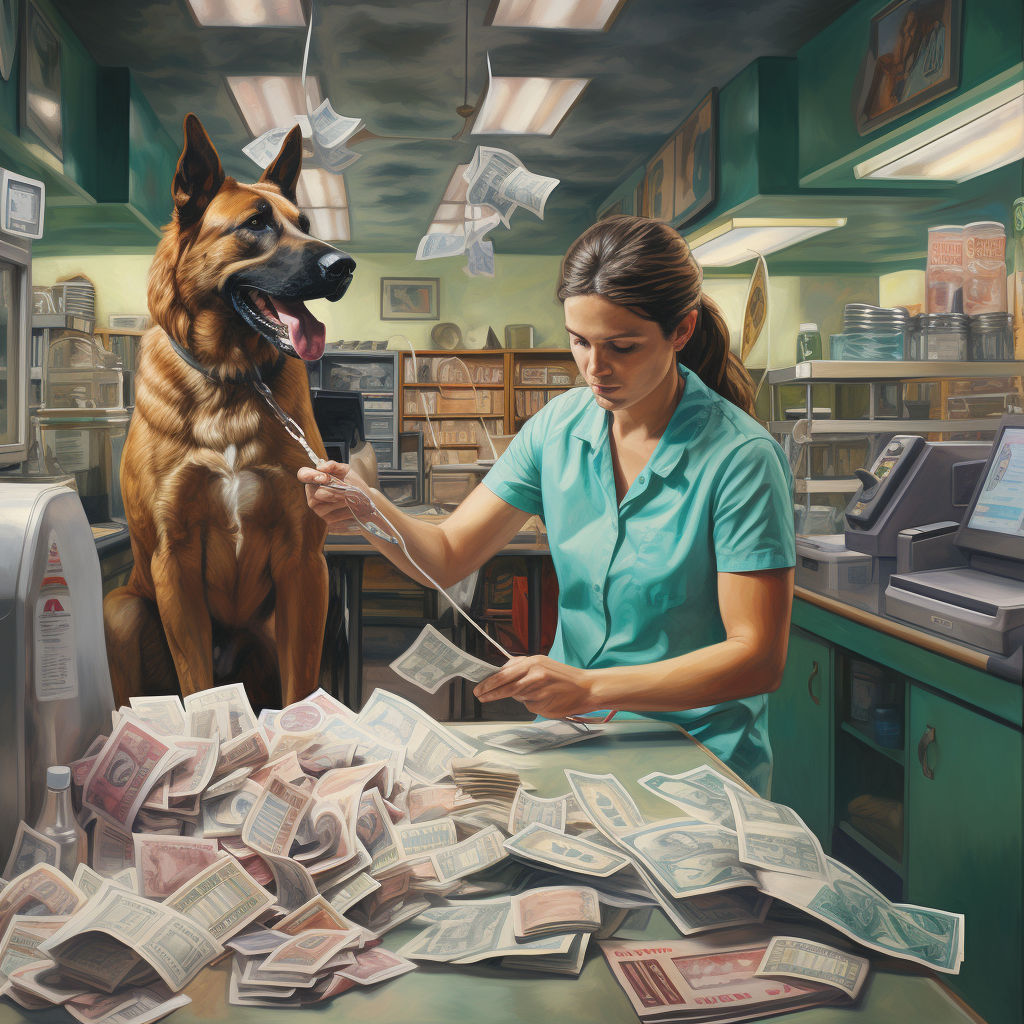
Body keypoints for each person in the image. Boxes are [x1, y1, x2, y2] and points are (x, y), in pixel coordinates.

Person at [299, 216, 795, 796]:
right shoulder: (558, 428)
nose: (594, 368)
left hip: (697, 758)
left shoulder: (741, 458)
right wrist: (371, 509)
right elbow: (449, 553)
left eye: (622, 346)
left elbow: (756, 657)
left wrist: (591, 687)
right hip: (573, 741)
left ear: (681, 330)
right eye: (580, 341)